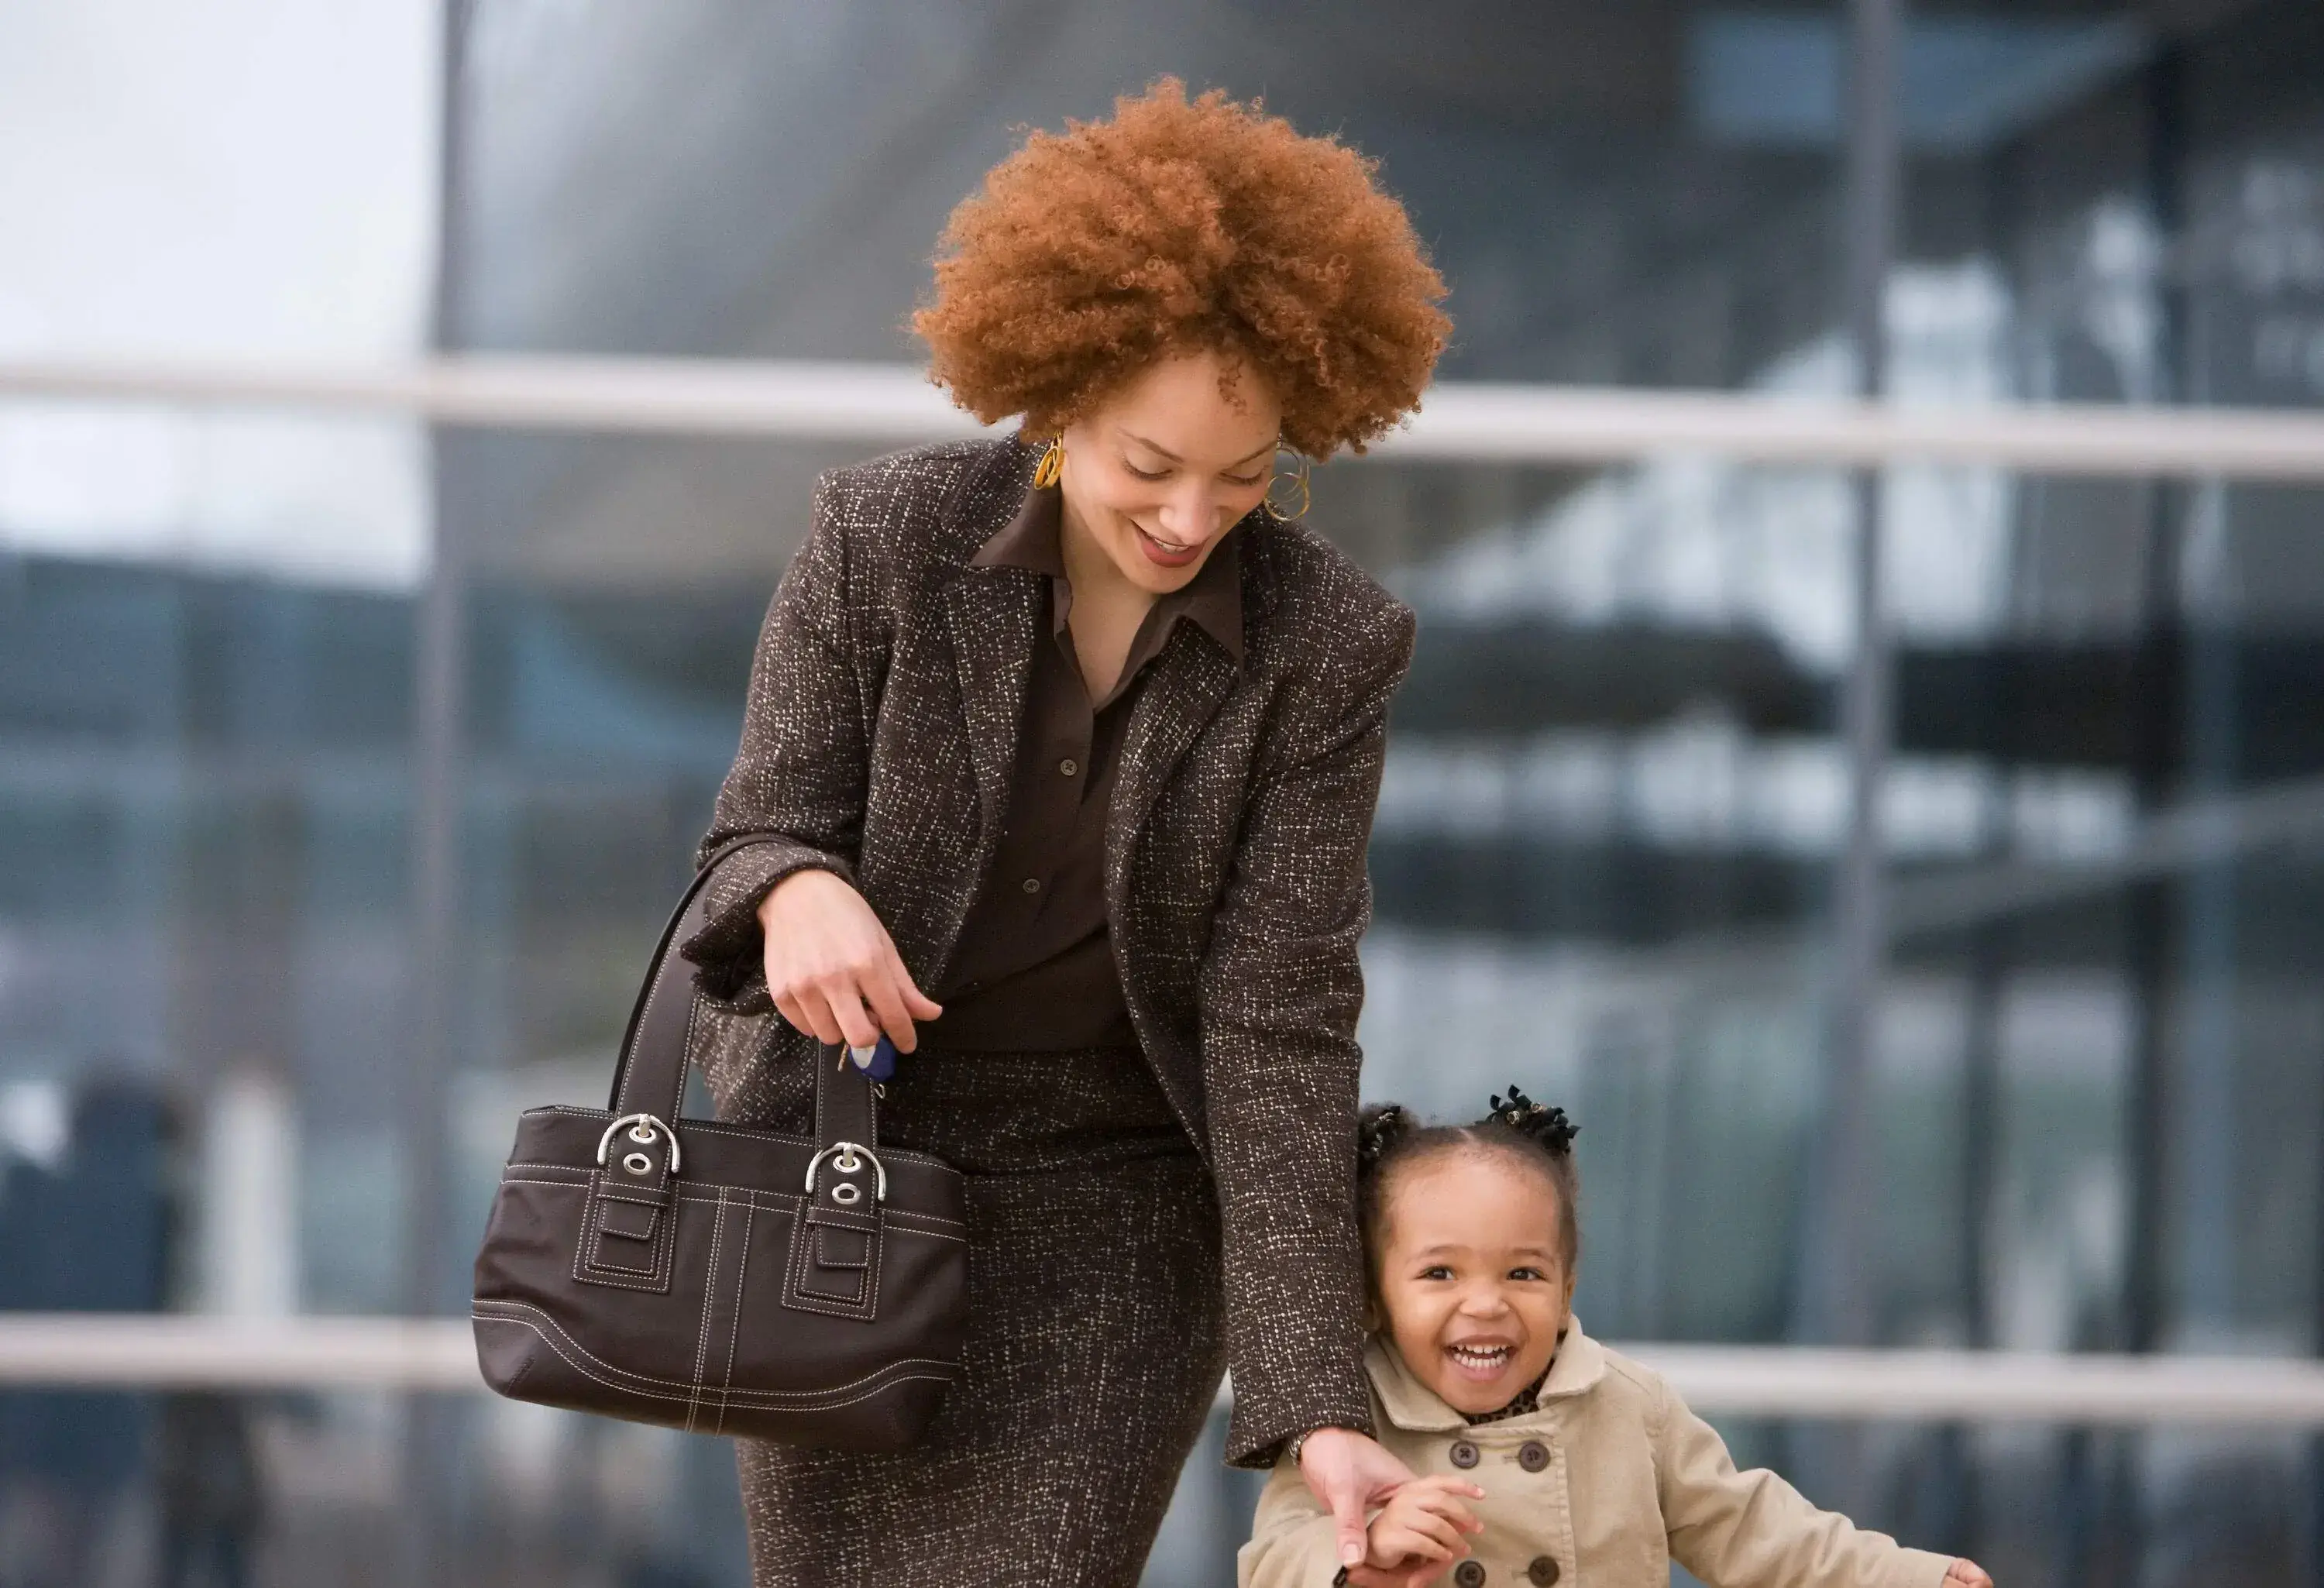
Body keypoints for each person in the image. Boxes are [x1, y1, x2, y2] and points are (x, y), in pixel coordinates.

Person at [676, 80, 1450, 1586]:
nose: (1191, 518)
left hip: (1119, 1215)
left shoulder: (1328, 648)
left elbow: (1280, 1023)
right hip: (845, 1167)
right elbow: (757, 826)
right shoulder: (882, 542)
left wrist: (1317, 1401)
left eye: (1247, 477)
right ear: (1055, 399)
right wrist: (796, 889)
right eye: (1147, 466)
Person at [1239, 1091, 1999, 1588]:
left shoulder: (1629, 1407)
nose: (1487, 1303)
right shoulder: (1344, 1416)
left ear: (1567, 1291)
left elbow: (1756, 1529)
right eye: (1440, 1273)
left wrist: (1901, 1576)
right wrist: (1364, 1545)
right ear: (1374, 1297)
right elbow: (1271, 1560)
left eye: (1524, 1273)